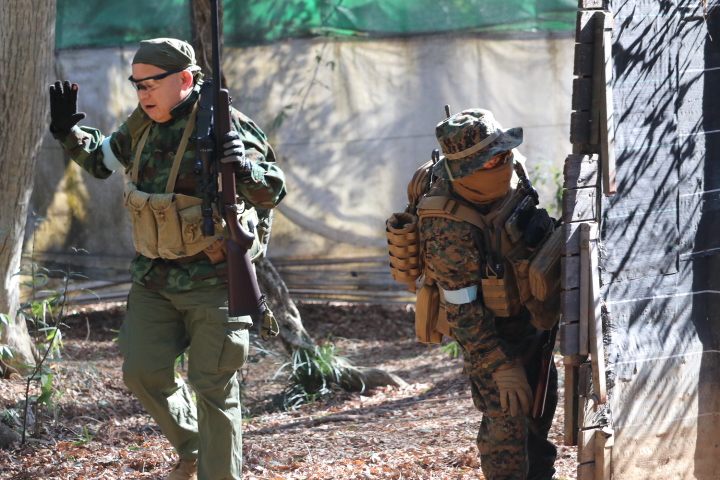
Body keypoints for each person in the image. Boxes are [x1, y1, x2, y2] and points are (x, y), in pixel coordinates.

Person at [48, 38, 286, 480]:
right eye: (136, 85)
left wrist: (243, 168)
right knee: (142, 372)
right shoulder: (143, 124)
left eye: (150, 84)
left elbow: (272, 190)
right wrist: (67, 131)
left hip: (215, 280)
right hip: (154, 279)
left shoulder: (227, 125)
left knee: (213, 386)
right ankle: (193, 446)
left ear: (184, 80)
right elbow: (101, 161)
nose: (142, 93)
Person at [418, 109, 559, 480]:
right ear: (465, 169)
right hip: (487, 336)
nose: (502, 162)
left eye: (503, 153)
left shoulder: (513, 171)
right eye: (490, 159)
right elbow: (461, 312)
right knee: (507, 427)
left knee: (540, 410)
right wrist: (501, 365)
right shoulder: (447, 226)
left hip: (531, 316)